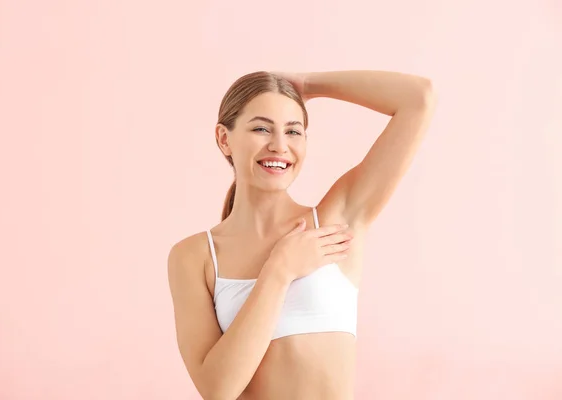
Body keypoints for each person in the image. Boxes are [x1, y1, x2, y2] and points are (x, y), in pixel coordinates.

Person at [167, 69, 436, 400]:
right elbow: (218, 389)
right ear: (224, 138)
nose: (279, 146)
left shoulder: (337, 219)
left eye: (293, 131)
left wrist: (308, 86)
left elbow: (418, 98)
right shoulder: (195, 256)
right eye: (261, 128)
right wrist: (279, 271)